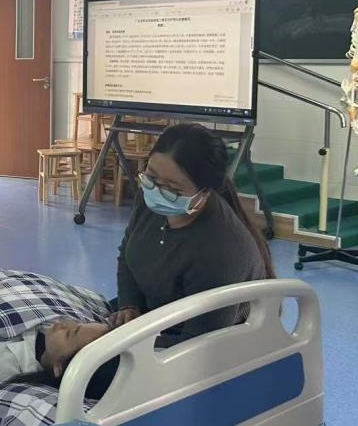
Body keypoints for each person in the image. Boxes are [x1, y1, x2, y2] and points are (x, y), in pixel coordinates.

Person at [108, 123, 275, 342]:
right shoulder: (148, 196)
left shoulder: (221, 250)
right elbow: (128, 254)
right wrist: (128, 304)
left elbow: (199, 342)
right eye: (151, 177)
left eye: (173, 190)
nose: (156, 191)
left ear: (204, 194)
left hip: (214, 344)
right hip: (157, 315)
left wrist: (118, 342)